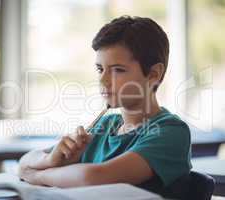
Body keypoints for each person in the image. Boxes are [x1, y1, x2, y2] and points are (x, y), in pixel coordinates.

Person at [18, 15, 192, 196]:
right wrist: (50, 160)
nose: (102, 80)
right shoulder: (105, 125)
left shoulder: (171, 132)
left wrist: (38, 176)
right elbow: (24, 162)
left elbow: (92, 178)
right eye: (100, 69)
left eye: (118, 70)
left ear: (153, 74)